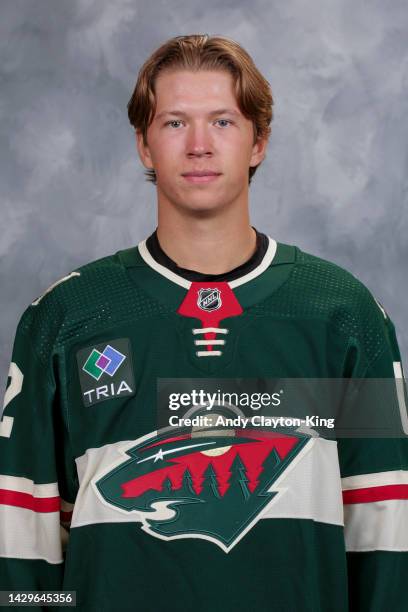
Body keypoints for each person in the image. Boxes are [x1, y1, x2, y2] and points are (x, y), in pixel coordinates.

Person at [1, 34, 407, 612]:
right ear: (143, 145)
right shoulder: (66, 319)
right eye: (173, 124)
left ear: (258, 141)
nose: (198, 146)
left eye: (222, 121)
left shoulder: (342, 316)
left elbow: (386, 530)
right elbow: (23, 539)